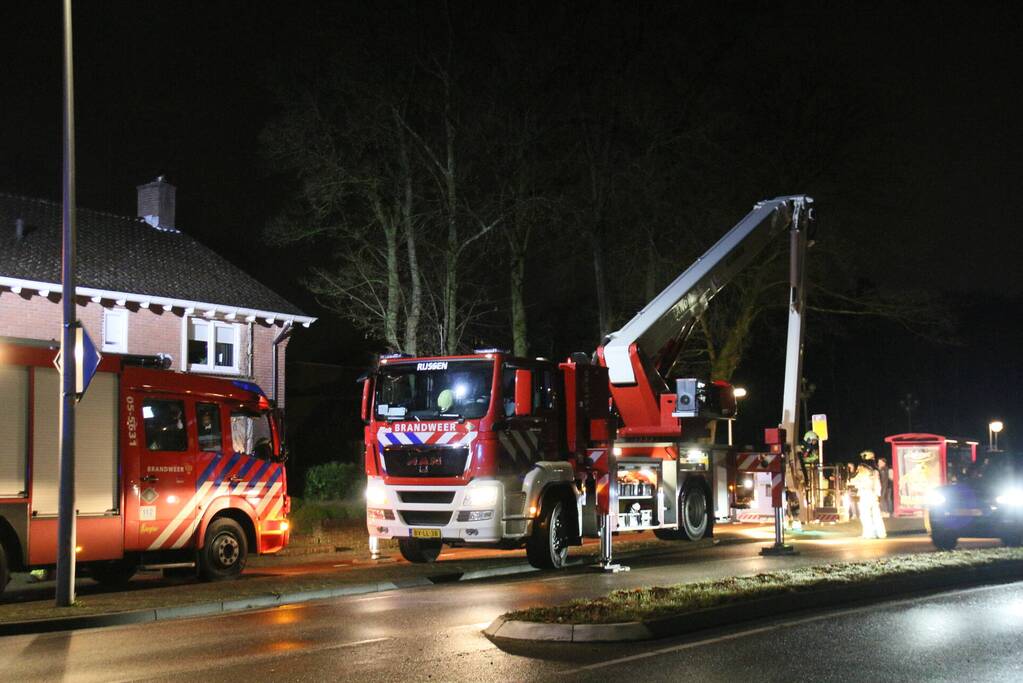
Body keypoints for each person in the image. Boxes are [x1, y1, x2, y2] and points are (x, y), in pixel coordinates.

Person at [850, 463, 886, 539]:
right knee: (876, 515)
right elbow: (878, 485)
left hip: (864, 495)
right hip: (873, 495)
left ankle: (869, 533)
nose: (858, 469)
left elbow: (852, 482)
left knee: (865, 515)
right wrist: (878, 495)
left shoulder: (861, 474)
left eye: (859, 468)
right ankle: (881, 533)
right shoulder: (874, 473)